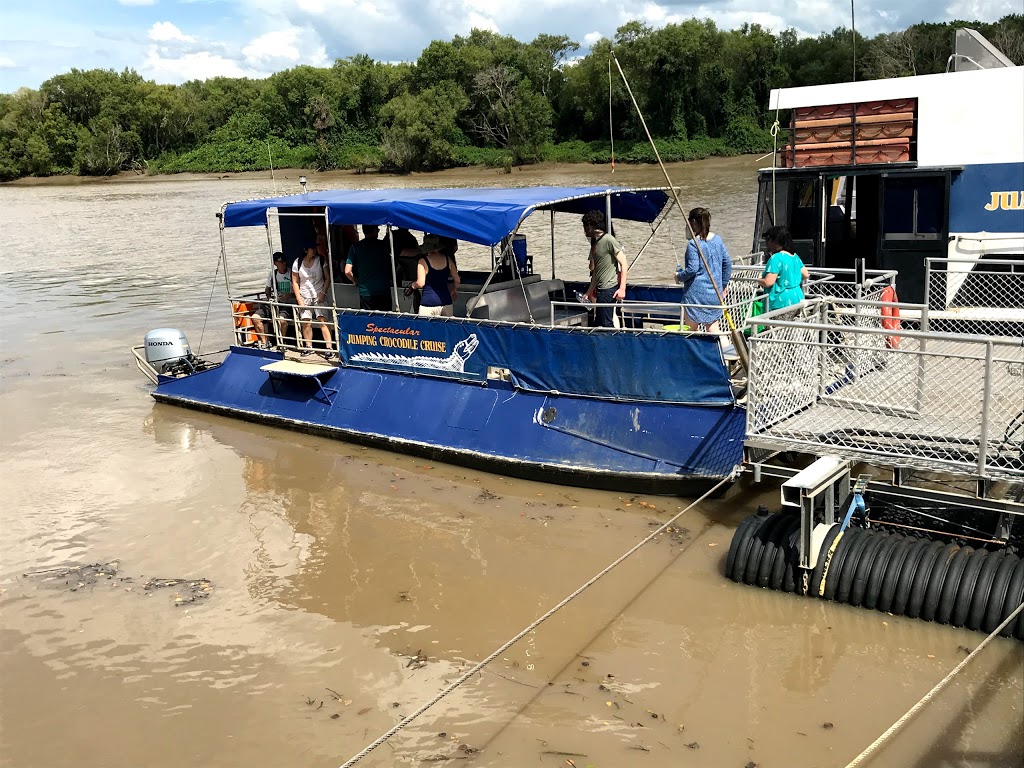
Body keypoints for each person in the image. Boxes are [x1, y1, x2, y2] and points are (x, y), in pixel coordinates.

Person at [676, 207, 733, 333]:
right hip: (715, 293)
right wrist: (723, 285)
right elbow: (728, 264)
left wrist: (678, 276)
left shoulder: (693, 244)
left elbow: (692, 269)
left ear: (694, 223)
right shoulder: (718, 240)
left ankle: (691, 352)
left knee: (690, 330)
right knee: (713, 329)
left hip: (695, 295)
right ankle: (727, 351)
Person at [582, 210, 627, 328]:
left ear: (590, 226)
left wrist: (622, 288)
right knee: (599, 322)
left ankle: (612, 345)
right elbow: (596, 271)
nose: (584, 231)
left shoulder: (608, 240)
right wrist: (589, 291)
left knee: (606, 324)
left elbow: (624, 263)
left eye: (585, 227)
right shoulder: (596, 244)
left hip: (609, 289)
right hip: (600, 289)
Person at [292, 243, 334, 356]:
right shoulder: (297, 262)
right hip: (304, 295)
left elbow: (328, 278)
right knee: (306, 321)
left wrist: (323, 293)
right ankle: (308, 346)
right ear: (306, 250)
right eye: (312, 249)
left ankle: (329, 348)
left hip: (319, 294)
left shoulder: (320, 260)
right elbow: (295, 282)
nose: (314, 251)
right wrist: (299, 299)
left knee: (323, 320)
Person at [759, 225, 809, 312]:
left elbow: (768, 282)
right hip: (797, 299)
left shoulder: (776, 258)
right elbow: (805, 275)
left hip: (780, 303)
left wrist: (758, 280)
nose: (767, 242)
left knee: (776, 325)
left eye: (768, 239)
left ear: (776, 241)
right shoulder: (795, 256)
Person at [345, 224, 394, 311]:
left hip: (365, 292)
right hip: (383, 290)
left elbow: (347, 271)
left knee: (368, 321)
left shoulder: (355, 247)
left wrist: (355, 281)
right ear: (375, 231)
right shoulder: (384, 246)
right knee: (385, 321)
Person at [409, 233, 460, 317]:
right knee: (446, 329)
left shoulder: (423, 261)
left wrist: (414, 285)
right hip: (446, 301)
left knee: (426, 329)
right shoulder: (448, 259)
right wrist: (454, 289)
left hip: (428, 302)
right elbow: (457, 280)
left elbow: (421, 283)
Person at [252, 251, 295, 346]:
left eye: (284, 261)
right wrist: (269, 297)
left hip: (287, 305)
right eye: (281, 261)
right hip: (275, 303)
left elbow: (299, 291)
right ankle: (264, 342)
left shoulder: (292, 273)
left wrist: (290, 295)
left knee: (281, 320)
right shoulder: (273, 274)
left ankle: (282, 342)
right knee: (255, 318)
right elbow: (267, 289)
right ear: (275, 263)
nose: (284, 263)